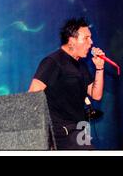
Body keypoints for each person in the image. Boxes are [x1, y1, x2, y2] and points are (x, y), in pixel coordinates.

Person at [28, 17, 105, 150]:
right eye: (86, 38)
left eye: (90, 38)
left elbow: (96, 95)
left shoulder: (81, 66)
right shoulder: (53, 62)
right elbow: (32, 96)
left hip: (77, 130)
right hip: (60, 132)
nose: (91, 42)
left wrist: (99, 68)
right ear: (71, 41)